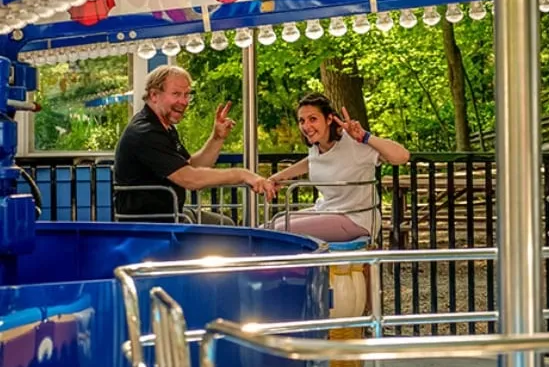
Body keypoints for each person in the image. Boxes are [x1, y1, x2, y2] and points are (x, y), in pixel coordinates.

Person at [114, 65, 275, 224]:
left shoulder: (163, 127)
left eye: (186, 95)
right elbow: (190, 179)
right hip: (148, 223)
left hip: (169, 214)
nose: (184, 101)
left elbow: (191, 166)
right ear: (154, 95)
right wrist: (242, 174)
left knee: (225, 224)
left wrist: (217, 138)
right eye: (176, 94)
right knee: (224, 233)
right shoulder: (146, 132)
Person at [268, 93, 410, 242]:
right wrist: (279, 177)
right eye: (302, 121)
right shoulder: (317, 146)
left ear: (329, 119)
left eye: (313, 119)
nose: (306, 126)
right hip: (327, 210)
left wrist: (365, 136)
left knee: (281, 229)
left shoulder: (354, 144)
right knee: (268, 225)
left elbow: (402, 156)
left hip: (356, 217)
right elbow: (313, 161)